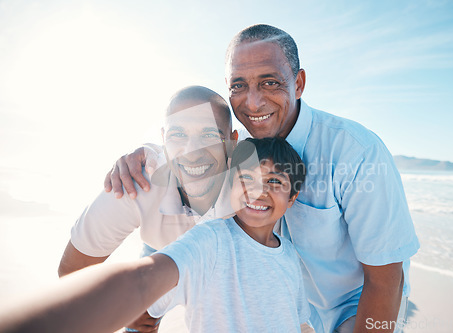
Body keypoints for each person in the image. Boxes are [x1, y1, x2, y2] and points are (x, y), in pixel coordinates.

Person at [109, 24, 420, 333]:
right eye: (239, 85)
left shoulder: (356, 153)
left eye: (270, 83)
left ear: (298, 83)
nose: (253, 102)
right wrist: (145, 156)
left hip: (353, 310)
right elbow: (183, 185)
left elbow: (386, 281)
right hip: (279, 311)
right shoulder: (233, 149)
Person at [0, 137, 309, 333]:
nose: (259, 191)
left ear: (293, 196)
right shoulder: (210, 241)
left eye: (275, 182)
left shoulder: (291, 257)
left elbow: (300, 322)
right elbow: (143, 281)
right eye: (246, 179)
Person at [58, 85, 238, 332]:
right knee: (138, 316)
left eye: (209, 135)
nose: (193, 153)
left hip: (223, 253)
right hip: (160, 241)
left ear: (233, 143)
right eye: (178, 135)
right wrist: (116, 310)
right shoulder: (135, 183)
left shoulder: (256, 185)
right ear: (163, 139)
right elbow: (72, 272)